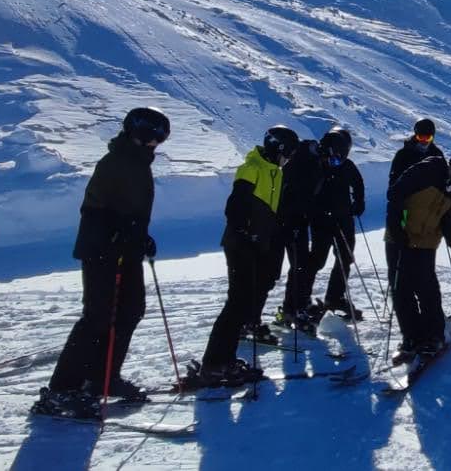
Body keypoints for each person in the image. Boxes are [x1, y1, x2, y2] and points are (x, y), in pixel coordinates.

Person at [35, 107, 166, 418]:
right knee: (97, 317)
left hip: (126, 250)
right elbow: (94, 208)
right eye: (154, 138)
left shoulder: (137, 163)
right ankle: (61, 390)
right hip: (102, 250)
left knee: (131, 311)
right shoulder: (115, 162)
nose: (157, 145)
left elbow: (129, 210)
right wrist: (118, 231)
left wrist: (138, 235)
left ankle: (102, 378)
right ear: (140, 134)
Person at [192, 124, 298, 387]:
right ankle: (215, 365)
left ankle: (223, 360)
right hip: (241, 243)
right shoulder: (252, 168)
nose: (289, 159)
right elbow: (235, 206)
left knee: (244, 302)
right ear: (279, 149)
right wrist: (245, 231)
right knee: (237, 303)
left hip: (254, 243)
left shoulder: (274, 171)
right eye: (289, 153)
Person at [385, 153, 451, 360]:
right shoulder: (429, 169)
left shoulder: (449, 191)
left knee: (427, 288)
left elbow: (446, 220)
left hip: (425, 243)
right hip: (401, 239)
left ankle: (434, 336)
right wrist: (397, 230)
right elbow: (395, 193)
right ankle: (412, 337)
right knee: (401, 289)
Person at [277, 128, 338, 331]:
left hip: (300, 219)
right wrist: (292, 216)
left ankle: (295, 306)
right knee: (299, 264)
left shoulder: (316, 160)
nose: (333, 163)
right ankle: (293, 310)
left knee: (301, 264)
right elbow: (290, 190)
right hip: (290, 219)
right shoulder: (304, 159)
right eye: (333, 158)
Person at [306, 127, 365, 319]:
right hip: (321, 219)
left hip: (343, 218)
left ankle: (335, 297)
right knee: (317, 259)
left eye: (340, 159)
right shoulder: (317, 165)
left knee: (345, 258)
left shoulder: (347, 166)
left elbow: (358, 183)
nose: (336, 163)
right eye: (333, 159)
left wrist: (359, 202)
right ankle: (301, 301)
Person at [387, 119, 444, 292]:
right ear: (415, 135)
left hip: (426, 217)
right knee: (398, 256)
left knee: (425, 262)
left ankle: (426, 302)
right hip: (403, 212)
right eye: (421, 137)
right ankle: (399, 297)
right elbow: (393, 187)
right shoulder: (403, 155)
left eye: (428, 138)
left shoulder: (437, 154)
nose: (424, 141)